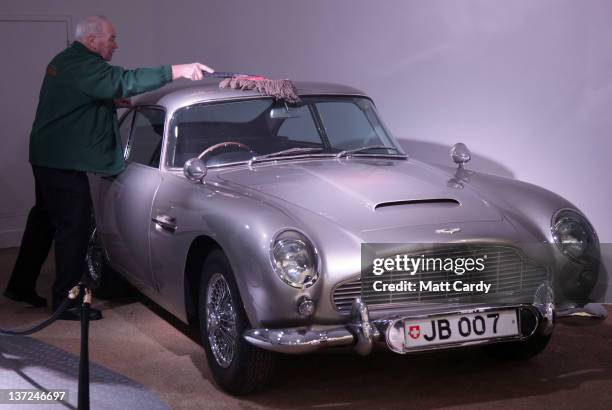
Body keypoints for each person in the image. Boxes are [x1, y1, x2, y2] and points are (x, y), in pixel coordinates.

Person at [3, 15, 214, 321]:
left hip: (48, 156)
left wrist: (110, 102)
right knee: (73, 229)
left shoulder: (66, 60)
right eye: (112, 38)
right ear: (92, 40)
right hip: (62, 162)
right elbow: (123, 79)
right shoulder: (84, 65)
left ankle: (20, 285)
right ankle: (67, 301)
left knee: (44, 221)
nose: (116, 44)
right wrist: (177, 70)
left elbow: (73, 97)